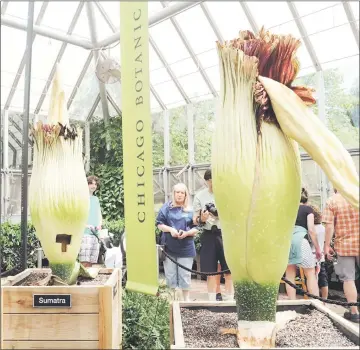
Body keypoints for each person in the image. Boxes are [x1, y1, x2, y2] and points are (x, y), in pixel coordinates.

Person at [193, 169, 233, 301]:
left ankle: (229, 297)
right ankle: (211, 298)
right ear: (206, 181)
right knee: (210, 270)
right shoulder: (200, 196)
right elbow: (195, 219)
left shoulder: (227, 194)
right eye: (209, 181)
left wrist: (221, 214)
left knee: (229, 269)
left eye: (215, 180)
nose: (212, 183)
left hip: (225, 233)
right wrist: (202, 218)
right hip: (208, 233)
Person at [156, 183, 198, 301]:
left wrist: (187, 233)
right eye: (177, 192)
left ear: (186, 195)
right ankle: (172, 300)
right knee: (170, 275)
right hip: (169, 247)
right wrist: (170, 230)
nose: (179, 195)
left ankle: (186, 300)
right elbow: (159, 224)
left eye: (182, 193)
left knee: (185, 275)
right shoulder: (166, 208)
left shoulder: (191, 210)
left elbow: (197, 228)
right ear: (173, 194)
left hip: (186, 247)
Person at [323, 189, 359, 323]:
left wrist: (327, 245)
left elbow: (329, 226)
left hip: (344, 246)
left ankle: (354, 313)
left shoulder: (332, 201)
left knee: (348, 279)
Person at [286, 187, 321, 299]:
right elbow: (311, 229)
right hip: (301, 241)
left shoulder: (287, 209)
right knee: (310, 272)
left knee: (289, 273)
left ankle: (292, 303)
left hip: (287, 242)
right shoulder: (307, 209)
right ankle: (316, 302)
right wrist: (317, 248)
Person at [79, 175, 103, 268]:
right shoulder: (82, 199)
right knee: (84, 261)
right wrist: (86, 225)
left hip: (95, 234)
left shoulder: (96, 199)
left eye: (95, 184)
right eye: (91, 184)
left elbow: (99, 213)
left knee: (92, 262)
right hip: (85, 234)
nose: (94, 186)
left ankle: (88, 281)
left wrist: (100, 224)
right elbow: (78, 217)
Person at [310, 204, 328, 300]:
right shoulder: (323, 228)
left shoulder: (311, 229)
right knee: (323, 280)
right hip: (321, 257)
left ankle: (314, 298)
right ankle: (324, 300)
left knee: (311, 278)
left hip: (311, 257)